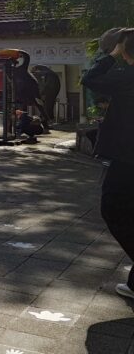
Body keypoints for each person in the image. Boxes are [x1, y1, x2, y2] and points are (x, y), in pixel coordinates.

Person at [81, 28, 134, 300]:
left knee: (113, 209)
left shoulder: (126, 76)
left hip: (127, 158)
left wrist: (112, 56)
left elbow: (90, 78)